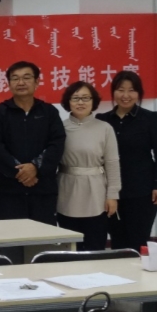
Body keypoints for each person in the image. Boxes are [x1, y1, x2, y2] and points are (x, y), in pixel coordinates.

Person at [96, 70, 157, 250]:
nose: (126, 95)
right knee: (117, 240)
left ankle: (139, 269)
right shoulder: (103, 121)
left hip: (142, 191)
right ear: (113, 92)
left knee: (138, 240)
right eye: (121, 90)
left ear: (139, 93)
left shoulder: (151, 119)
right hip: (110, 192)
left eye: (131, 90)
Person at [0, 61, 65, 225]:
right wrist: (21, 172)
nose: (21, 82)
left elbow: (57, 143)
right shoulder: (0, 113)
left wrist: (35, 167)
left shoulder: (49, 112)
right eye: (15, 78)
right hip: (10, 191)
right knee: (13, 237)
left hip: (43, 189)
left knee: (45, 236)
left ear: (37, 82)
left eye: (26, 78)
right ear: (9, 83)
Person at [56, 82, 120, 251]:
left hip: (96, 192)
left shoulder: (104, 128)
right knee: (69, 246)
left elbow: (112, 163)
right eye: (75, 98)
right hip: (67, 189)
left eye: (85, 98)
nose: (80, 102)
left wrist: (112, 195)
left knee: (95, 244)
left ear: (93, 101)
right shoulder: (59, 128)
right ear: (68, 102)